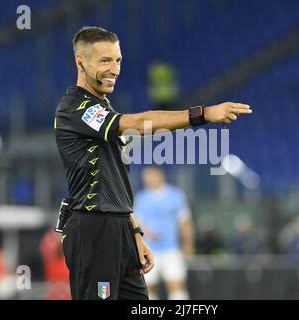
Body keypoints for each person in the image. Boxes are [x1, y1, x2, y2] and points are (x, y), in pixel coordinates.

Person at [54, 26, 252, 300]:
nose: (114, 69)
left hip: (118, 226)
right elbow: (136, 123)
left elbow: (113, 181)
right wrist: (203, 114)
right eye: (104, 61)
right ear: (80, 61)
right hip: (94, 229)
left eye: (118, 60)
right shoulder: (75, 108)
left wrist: (133, 230)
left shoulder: (102, 108)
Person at [134, 167, 194, 300]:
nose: (148, 180)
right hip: (148, 251)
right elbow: (137, 222)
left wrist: (188, 245)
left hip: (171, 249)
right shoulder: (142, 198)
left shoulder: (176, 195)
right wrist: (146, 232)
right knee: (148, 287)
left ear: (160, 176)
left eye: (150, 176)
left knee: (176, 285)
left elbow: (185, 222)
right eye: (145, 177)